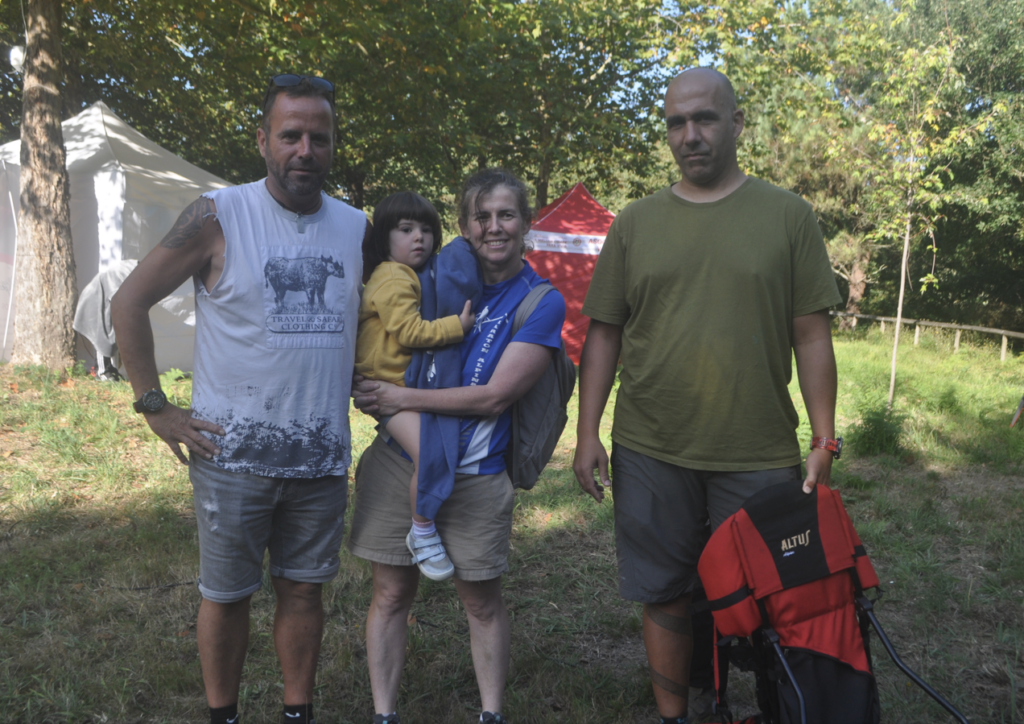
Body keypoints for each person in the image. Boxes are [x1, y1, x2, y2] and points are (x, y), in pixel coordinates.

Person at [571, 67, 843, 724]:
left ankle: (777, 704)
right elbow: (603, 333)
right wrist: (586, 433)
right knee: (664, 592)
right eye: (676, 123)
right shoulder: (636, 222)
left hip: (757, 448)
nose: (689, 135)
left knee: (769, 594)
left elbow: (811, 335)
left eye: (705, 119)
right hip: (650, 445)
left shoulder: (787, 216)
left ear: (737, 123)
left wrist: (824, 436)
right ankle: (677, 714)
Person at [111, 74, 367, 724]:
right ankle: (221, 714)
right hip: (230, 456)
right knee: (226, 596)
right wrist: (154, 405)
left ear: (333, 145)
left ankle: (297, 711)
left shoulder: (355, 227)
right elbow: (128, 302)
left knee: (304, 594)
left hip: (320, 457)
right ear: (262, 140)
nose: (304, 150)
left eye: (319, 138)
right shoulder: (217, 215)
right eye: (290, 135)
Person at [349, 168, 567, 724]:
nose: (494, 227)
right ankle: (383, 714)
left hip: (475, 471)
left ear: (526, 222)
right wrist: (362, 380)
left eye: (506, 215)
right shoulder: (428, 275)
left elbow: (494, 398)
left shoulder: (539, 301)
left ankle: (491, 714)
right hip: (400, 463)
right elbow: (376, 326)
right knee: (390, 595)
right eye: (481, 216)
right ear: (466, 226)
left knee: (481, 603)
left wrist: (398, 398)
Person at [354, 191, 476, 581]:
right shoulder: (393, 276)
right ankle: (421, 531)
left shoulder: (407, 274)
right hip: (385, 387)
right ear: (384, 238)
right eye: (405, 229)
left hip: (397, 385)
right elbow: (408, 332)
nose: (419, 237)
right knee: (431, 453)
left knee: (435, 447)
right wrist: (457, 327)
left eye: (426, 229)